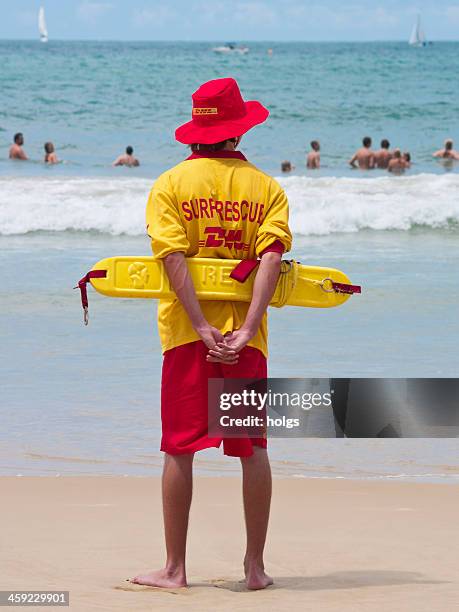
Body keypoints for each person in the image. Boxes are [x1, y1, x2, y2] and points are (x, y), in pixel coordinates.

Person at [131, 77, 292, 591]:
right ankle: (255, 568)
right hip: (247, 340)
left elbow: (172, 257)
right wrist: (244, 328)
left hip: (185, 335)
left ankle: (175, 569)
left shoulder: (169, 185)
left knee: (179, 447)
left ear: (196, 132)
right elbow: (272, 256)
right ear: (239, 129)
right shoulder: (267, 189)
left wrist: (201, 326)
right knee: (254, 448)